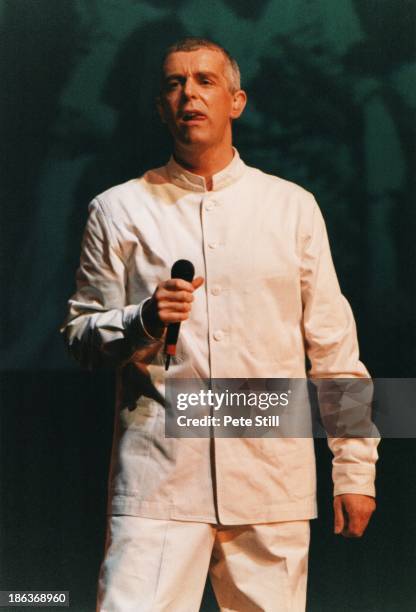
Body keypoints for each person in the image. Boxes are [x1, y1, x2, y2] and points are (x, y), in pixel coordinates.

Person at [61, 37, 379, 612]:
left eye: (205, 81)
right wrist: (142, 320)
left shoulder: (292, 208)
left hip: (270, 482)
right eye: (174, 84)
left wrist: (355, 469)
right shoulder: (119, 209)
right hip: (160, 483)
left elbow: (334, 351)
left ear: (236, 101)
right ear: (161, 107)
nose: (189, 94)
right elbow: (81, 336)